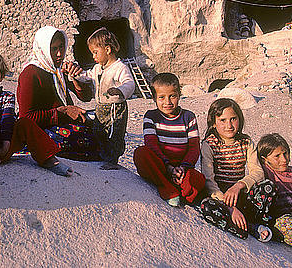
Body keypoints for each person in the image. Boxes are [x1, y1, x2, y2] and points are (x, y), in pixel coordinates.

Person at [17, 26, 99, 161]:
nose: (60, 54)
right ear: (43, 49)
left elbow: (86, 97)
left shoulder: (58, 70)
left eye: (61, 47)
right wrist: (63, 111)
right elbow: (26, 117)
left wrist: (75, 78)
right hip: (44, 129)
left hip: (62, 123)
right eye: (54, 49)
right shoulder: (31, 73)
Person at [200, 98, 274, 241]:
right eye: (223, 120)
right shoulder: (209, 144)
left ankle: (251, 222)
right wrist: (230, 207)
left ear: (239, 119)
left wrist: (239, 185)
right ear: (214, 123)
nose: (229, 125)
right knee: (207, 206)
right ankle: (242, 227)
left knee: (268, 187)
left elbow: (258, 172)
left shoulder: (246, 142)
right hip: (220, 196)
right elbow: (209, 181)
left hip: (240, 193)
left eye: (233, 119)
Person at [133, 73, 205, 207]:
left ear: (179, 95)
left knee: (198, 179)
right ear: (154, 98)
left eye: (172, 96)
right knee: (141, 153)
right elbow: (151, 144)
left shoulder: (189, 117)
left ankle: (182, 190)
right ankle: (168, 189)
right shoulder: (151, 116)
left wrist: (183, 168)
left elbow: (194, 148)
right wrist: (169, 168)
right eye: (161, 97)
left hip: (183, 168)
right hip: (161, 166)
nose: (168, 102)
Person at [80, 27, 135, 170]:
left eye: (95, 52)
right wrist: (76, 75)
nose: (93, 57)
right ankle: (102, 155)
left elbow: (129, 83)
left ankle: (112, 160)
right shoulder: (98, 68)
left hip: (115, 108)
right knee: (99, 131)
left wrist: (120, 90)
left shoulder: (119, 68)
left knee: (114, 133)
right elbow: (88, 76)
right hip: (101, 107)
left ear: (108, 49)